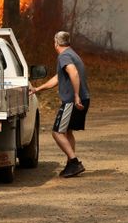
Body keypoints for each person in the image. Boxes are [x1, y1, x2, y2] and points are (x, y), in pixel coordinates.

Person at [30, 31, 90, 178]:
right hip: (82, 98)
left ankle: (74, 162)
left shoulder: (64, 56)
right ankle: (71, 164)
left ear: (56, 43)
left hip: (72, 100)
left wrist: (76, 96)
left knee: (57, 132)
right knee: (67, 131)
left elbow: (73, 73)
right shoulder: (72, 54)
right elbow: (57, 78)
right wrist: (38, 89)